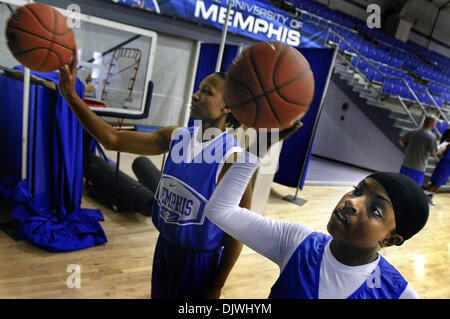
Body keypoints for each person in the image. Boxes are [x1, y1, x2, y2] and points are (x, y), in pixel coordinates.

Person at [58, 55, 252, 299]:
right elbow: (113, 139)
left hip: (198, 262)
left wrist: (216, 285)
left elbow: (239, 231)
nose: (195, 95)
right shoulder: (176, 136)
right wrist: (71, 97)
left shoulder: (232, 159)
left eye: (206, 91)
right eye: (197, 89)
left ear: (227, 107)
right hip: (164, 249)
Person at [203, 130, 429, 299]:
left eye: (375, 210)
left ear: (390, 239)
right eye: (358, 190)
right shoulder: (297, 241)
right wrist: (263, 142)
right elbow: (221, 210)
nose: (352, 201)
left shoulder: (397, 293)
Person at [399, 115, 447, 186]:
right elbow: (433, 154)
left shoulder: (413, 132)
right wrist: (442, 148)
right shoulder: (431, 137)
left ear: (424, 122)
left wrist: (407, 147)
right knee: (415, 189)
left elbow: (401, 141)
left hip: (406, 165)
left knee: (400, 185)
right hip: (418, 168)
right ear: (433, 124)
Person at [423, 129, 450, 206]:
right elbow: (438, 151)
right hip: (444, 165)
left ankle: (430, 197)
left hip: (448, 167)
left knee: (439, 184)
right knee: (435, 183)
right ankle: (425, 196)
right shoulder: (446, 143)